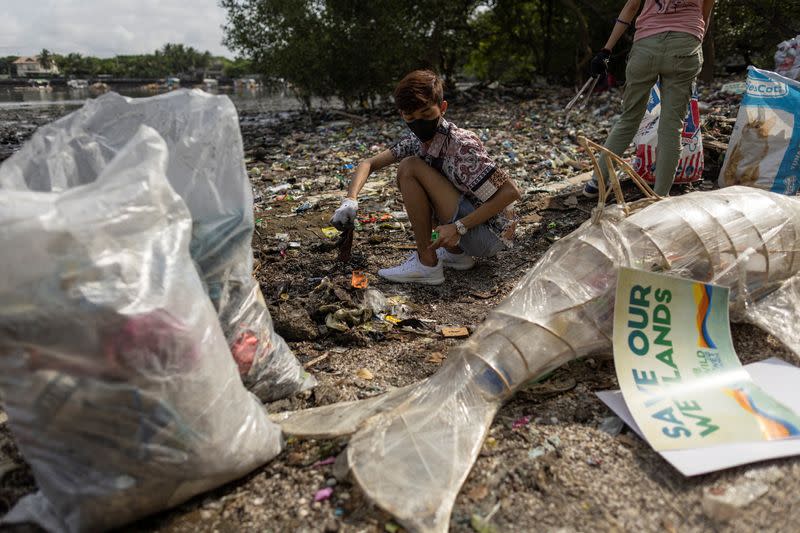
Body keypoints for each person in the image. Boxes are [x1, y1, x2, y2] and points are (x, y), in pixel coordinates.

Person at [330, 69, 521, 286]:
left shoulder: (462, 145)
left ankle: (427, 263)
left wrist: (458, 227)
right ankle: (456, 254)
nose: (419, 123)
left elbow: (510, 191)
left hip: (489, 235)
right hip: (471, 230)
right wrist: (350, 200)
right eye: (410, 118)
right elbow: (369, 163)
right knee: (417, 172)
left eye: (427, 115)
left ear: (442, 108)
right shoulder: (417, 142)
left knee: (409, 168)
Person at [583, 0, 715, 198]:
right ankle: (660, 197)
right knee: (672, 125)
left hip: (646, 47)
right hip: (685, 46)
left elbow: (631, 7)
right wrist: (695, 41)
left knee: (629, 117)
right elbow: (705, 13)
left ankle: (597, 182)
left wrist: (606, 50)